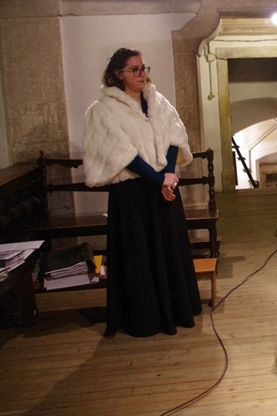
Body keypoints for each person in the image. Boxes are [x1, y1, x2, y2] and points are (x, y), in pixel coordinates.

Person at [83, 47, 202, 337]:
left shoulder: (157, 100)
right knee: (141, 256)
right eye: (134, 69)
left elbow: (175, 136)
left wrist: (169, 176)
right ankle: (145, 317)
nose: (142, 74)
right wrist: (157, 179)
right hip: (133, 194)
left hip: (164, 188)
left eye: (143, 68)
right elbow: (122, 153)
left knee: (169, 249)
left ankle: (176, 308)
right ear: (117, 74)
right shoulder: (102, 109)